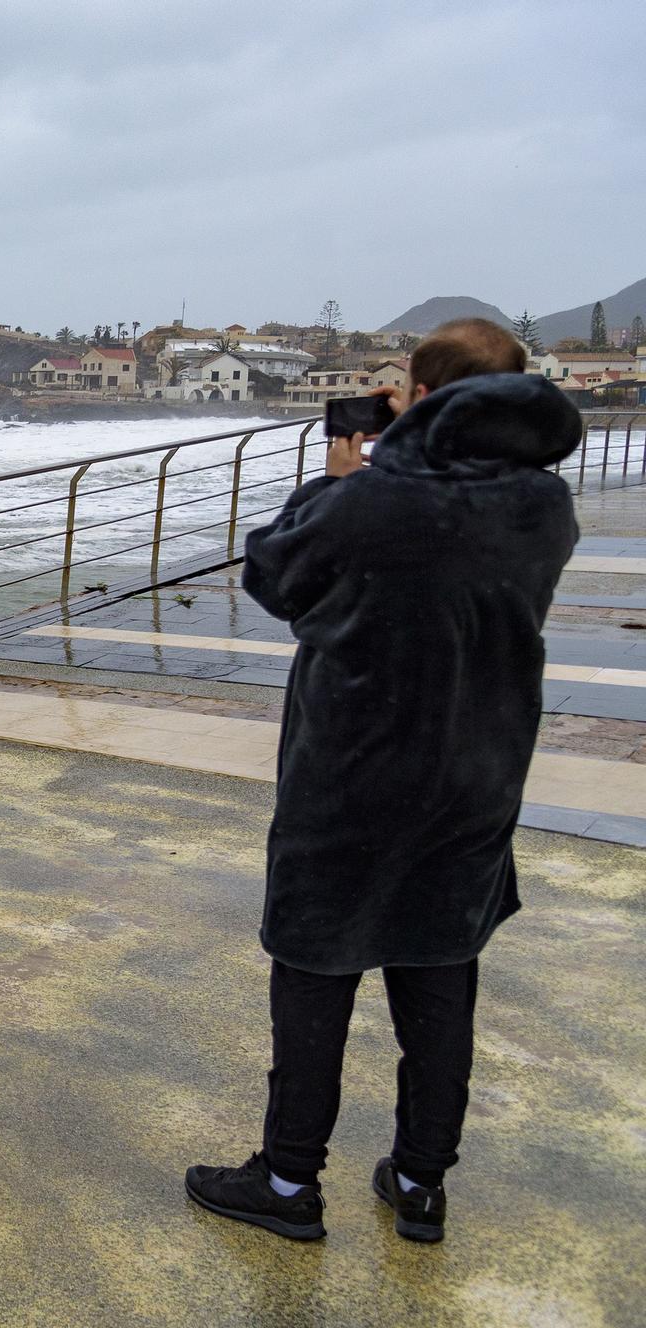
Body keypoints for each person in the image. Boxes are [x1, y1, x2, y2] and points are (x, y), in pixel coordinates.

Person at [184, 319, 582, 1243]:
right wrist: (395, 451)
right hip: (476, 779)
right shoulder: (543, 504)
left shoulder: (373, 501)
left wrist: (337, 478)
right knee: (440, 978)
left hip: (353, 780)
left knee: (316, 975)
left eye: (401, 387)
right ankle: (419, 1181)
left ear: (424, 399)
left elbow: (277, 575)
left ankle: (287, 1186)